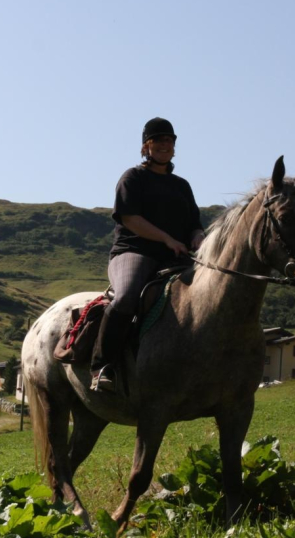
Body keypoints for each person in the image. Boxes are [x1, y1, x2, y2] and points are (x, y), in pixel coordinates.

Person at [90, 117, 205, 392]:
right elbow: (130, 218)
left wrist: (198, 238)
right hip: (134, 251)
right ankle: (101, 366)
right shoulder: (133, 178)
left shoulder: (182, 185)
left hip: (176, 257)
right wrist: (167, 238)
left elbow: (194, 224)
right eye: (159, 140)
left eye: (170, 141)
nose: (165, 145)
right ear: (146, 146)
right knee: (127, 296)